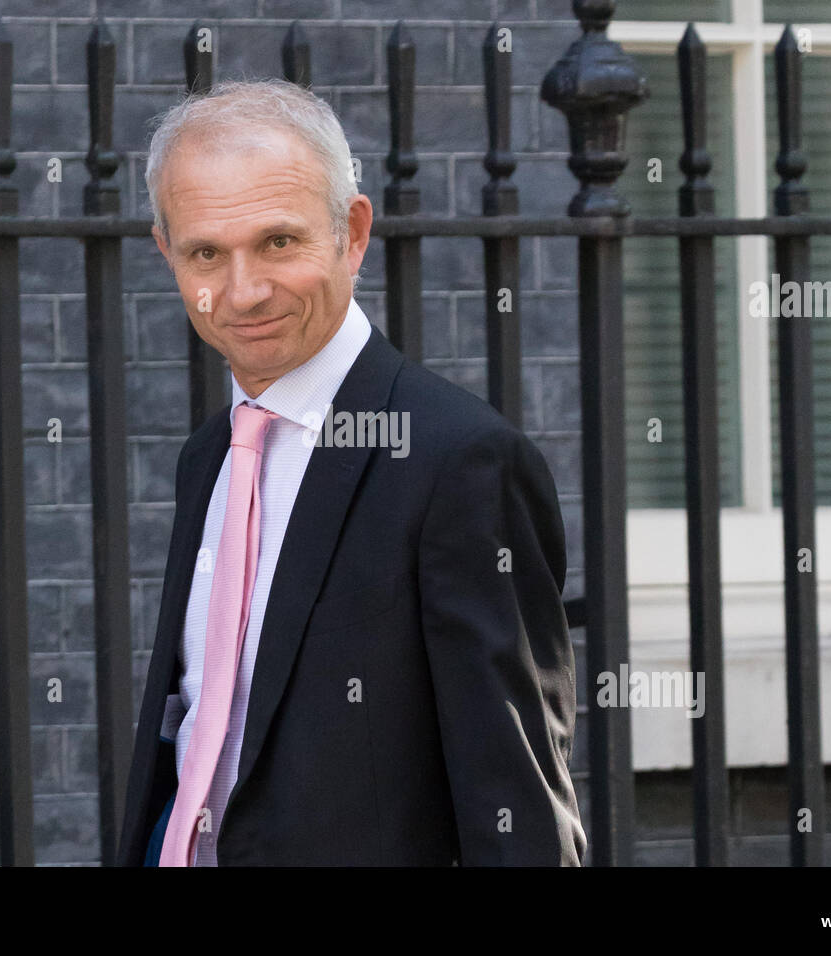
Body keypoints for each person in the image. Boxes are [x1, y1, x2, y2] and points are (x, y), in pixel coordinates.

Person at [115, 78, 586, 866]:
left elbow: (518, 804)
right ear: (167, 252)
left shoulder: (461, 461)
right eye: (206, 252)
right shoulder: (211, 455)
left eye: (278, 242)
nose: (244, 291)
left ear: (353, 232)